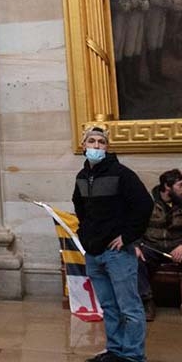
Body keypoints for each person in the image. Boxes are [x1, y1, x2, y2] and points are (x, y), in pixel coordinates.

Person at [72, 126, 152, 362]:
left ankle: (133, 356)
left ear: (107, 147)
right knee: (108, 306)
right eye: (92, 142)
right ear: (84, 145)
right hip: (94, 252)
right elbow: (80, 207)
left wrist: (128, 237)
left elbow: (144, 205)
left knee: (130, 308)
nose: (96, 146)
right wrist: (84, 233)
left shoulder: (122, 174)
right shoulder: (82, 177)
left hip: (117, 253)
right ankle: (115, 351)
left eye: (101, 142)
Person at [136, 169, 182, 322]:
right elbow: (135, 227)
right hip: (152, 246)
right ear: (167, 186)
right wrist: (136, 246)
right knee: (136, 260)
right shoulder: (147, 202)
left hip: (177, 246)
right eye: (180, 185)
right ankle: (146, 301)